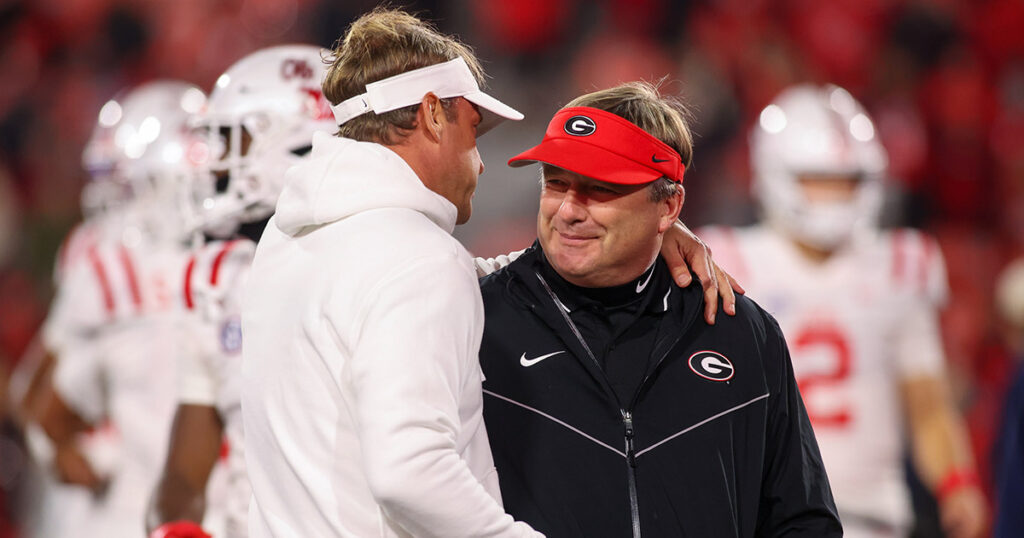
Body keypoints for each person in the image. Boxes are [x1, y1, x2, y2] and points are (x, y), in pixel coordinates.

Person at [477, 81, 841, 537]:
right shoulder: (478, 318)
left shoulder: (739, 333)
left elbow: (802, 520)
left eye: (599, 190)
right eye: (556, 183)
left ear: (669, 206)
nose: (568, 210)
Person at [697, 84, 987, 538]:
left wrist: (958, 483)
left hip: (874, 518)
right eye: (818, 179)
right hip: (761, 517)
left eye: (846, 181)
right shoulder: (723, 259)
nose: (834, 195)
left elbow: (927, 402)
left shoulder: (900, 262)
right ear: (776, 174)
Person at [146, 44, 336, 538]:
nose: (217, 164)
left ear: (300, 145)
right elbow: (183, 473)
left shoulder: (372, 263)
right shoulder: (218, 277)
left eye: (234, 141)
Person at [35, 80, 205, 537]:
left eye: (126, 182)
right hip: (134, 514)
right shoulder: (108, 263)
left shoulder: (231, 260)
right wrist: (84, 454)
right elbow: (42, 405)